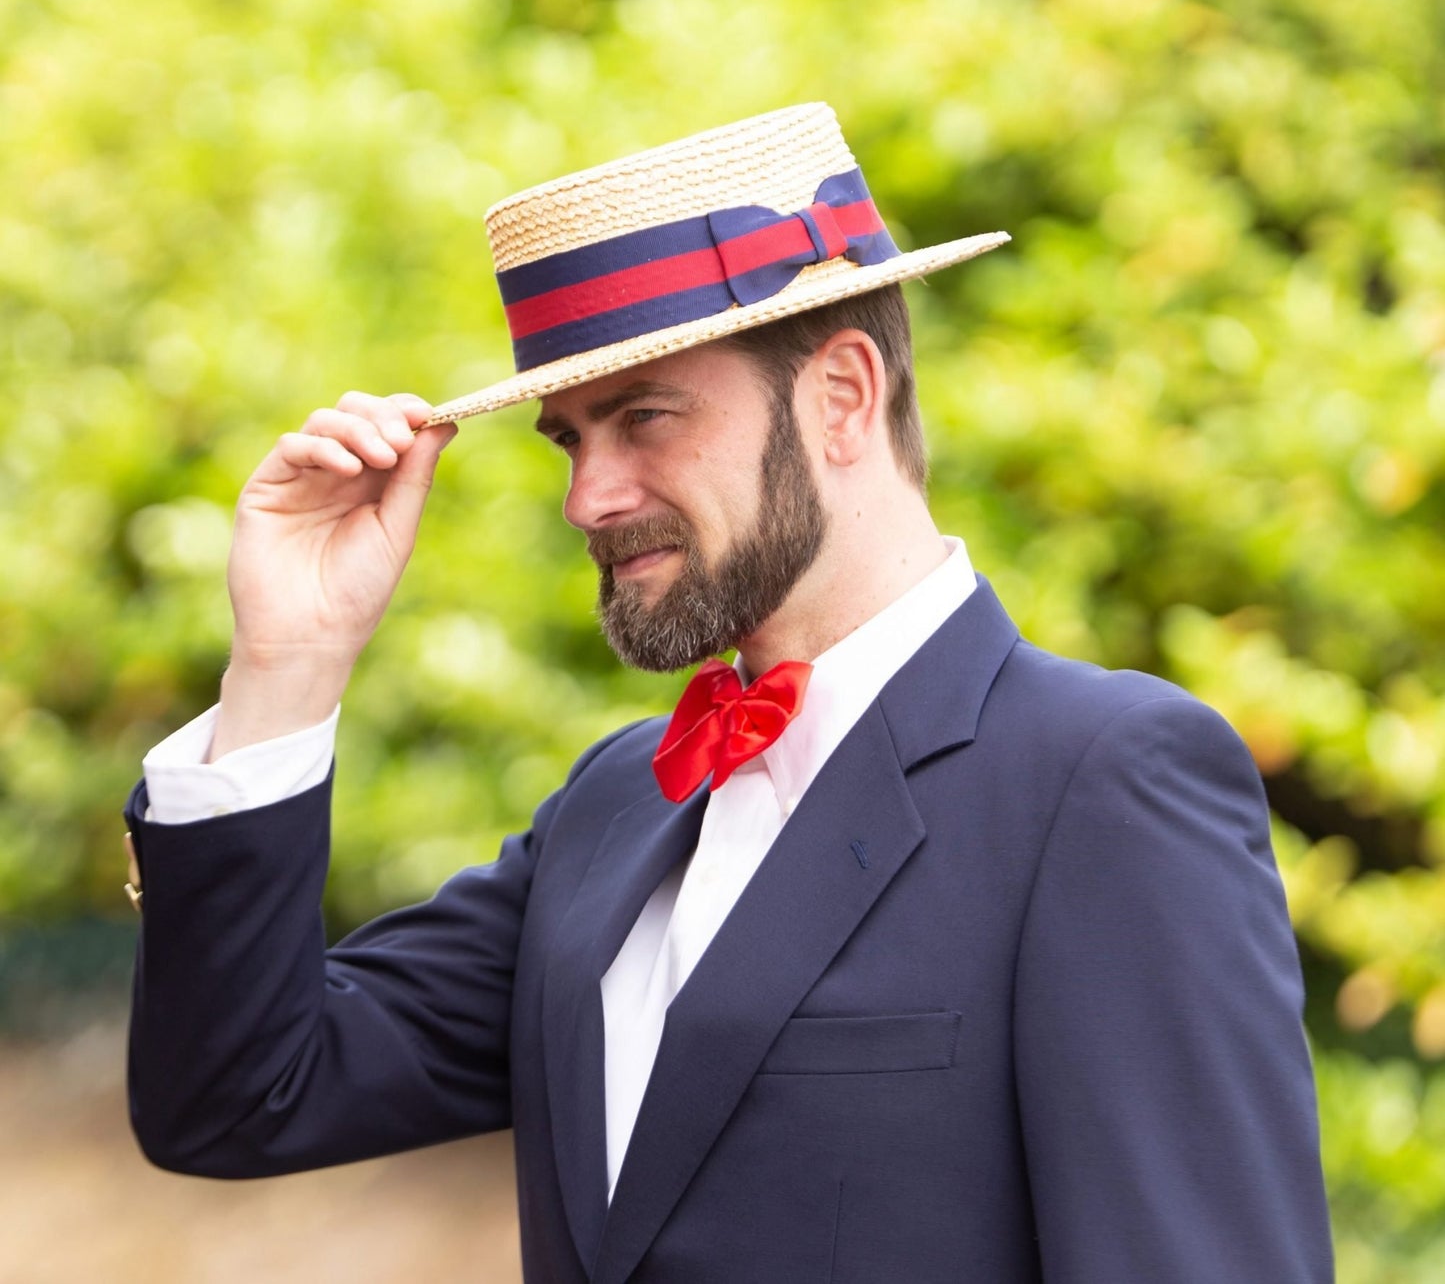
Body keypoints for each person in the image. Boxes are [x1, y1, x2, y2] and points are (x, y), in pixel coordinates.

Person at [124, 103, 1333, 1283]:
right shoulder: (610, 808)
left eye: (643, 417)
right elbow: (237, 1097)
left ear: (841, 397)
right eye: (569, 439)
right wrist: (288, 662)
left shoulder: (1100, 780)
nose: (587, 498)